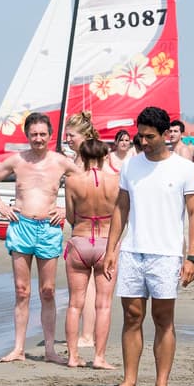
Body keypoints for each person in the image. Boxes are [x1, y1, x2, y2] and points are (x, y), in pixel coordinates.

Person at [102, 106, 194, 386]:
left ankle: (161, 385)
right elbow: (121, 208)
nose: (143, 142)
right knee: (131, 317)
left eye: (149, 137)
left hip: (167, 254)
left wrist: (192, 256)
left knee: (163, 319)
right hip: (133, 251)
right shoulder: (131, 166)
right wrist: (111, 249)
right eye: (140, 136)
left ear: (165, 135)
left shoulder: (183, 168)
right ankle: (128, 381)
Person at [0, 112, 78, 364]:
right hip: (21, 225)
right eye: (33, 134)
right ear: (27, 135)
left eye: (42, 134)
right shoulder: (17, 160)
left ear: (50, 135)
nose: (38, 139)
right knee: (21, 290)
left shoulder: (60, 162)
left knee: (48, 291)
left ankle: (49, 350)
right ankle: (18, 349)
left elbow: (85, 184)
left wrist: (67, 209)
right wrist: (2, 206)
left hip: (48, 227)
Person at [63, 139, 118, 369]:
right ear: (105, 156)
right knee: (103, 305)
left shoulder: (72, 181)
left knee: (75, 304)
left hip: (80, 241)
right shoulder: (115, 181)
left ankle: (73, 356)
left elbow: (69, 215)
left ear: (82, 158)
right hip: (106, 243)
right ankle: (99, 357)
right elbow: (120, 215)